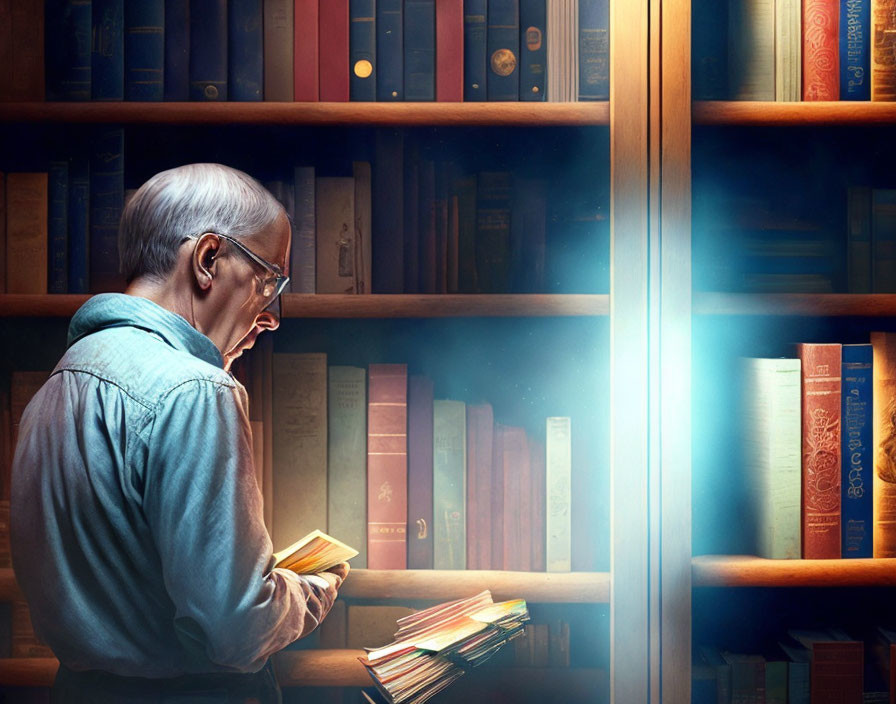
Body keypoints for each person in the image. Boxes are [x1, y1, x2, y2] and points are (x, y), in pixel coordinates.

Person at [10, 163, 349, 703]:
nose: (272, 317)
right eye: (270, 281)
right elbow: (234, 627)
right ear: (208, 258)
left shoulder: (54, 386)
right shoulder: (196, 390)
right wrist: (310, 590)